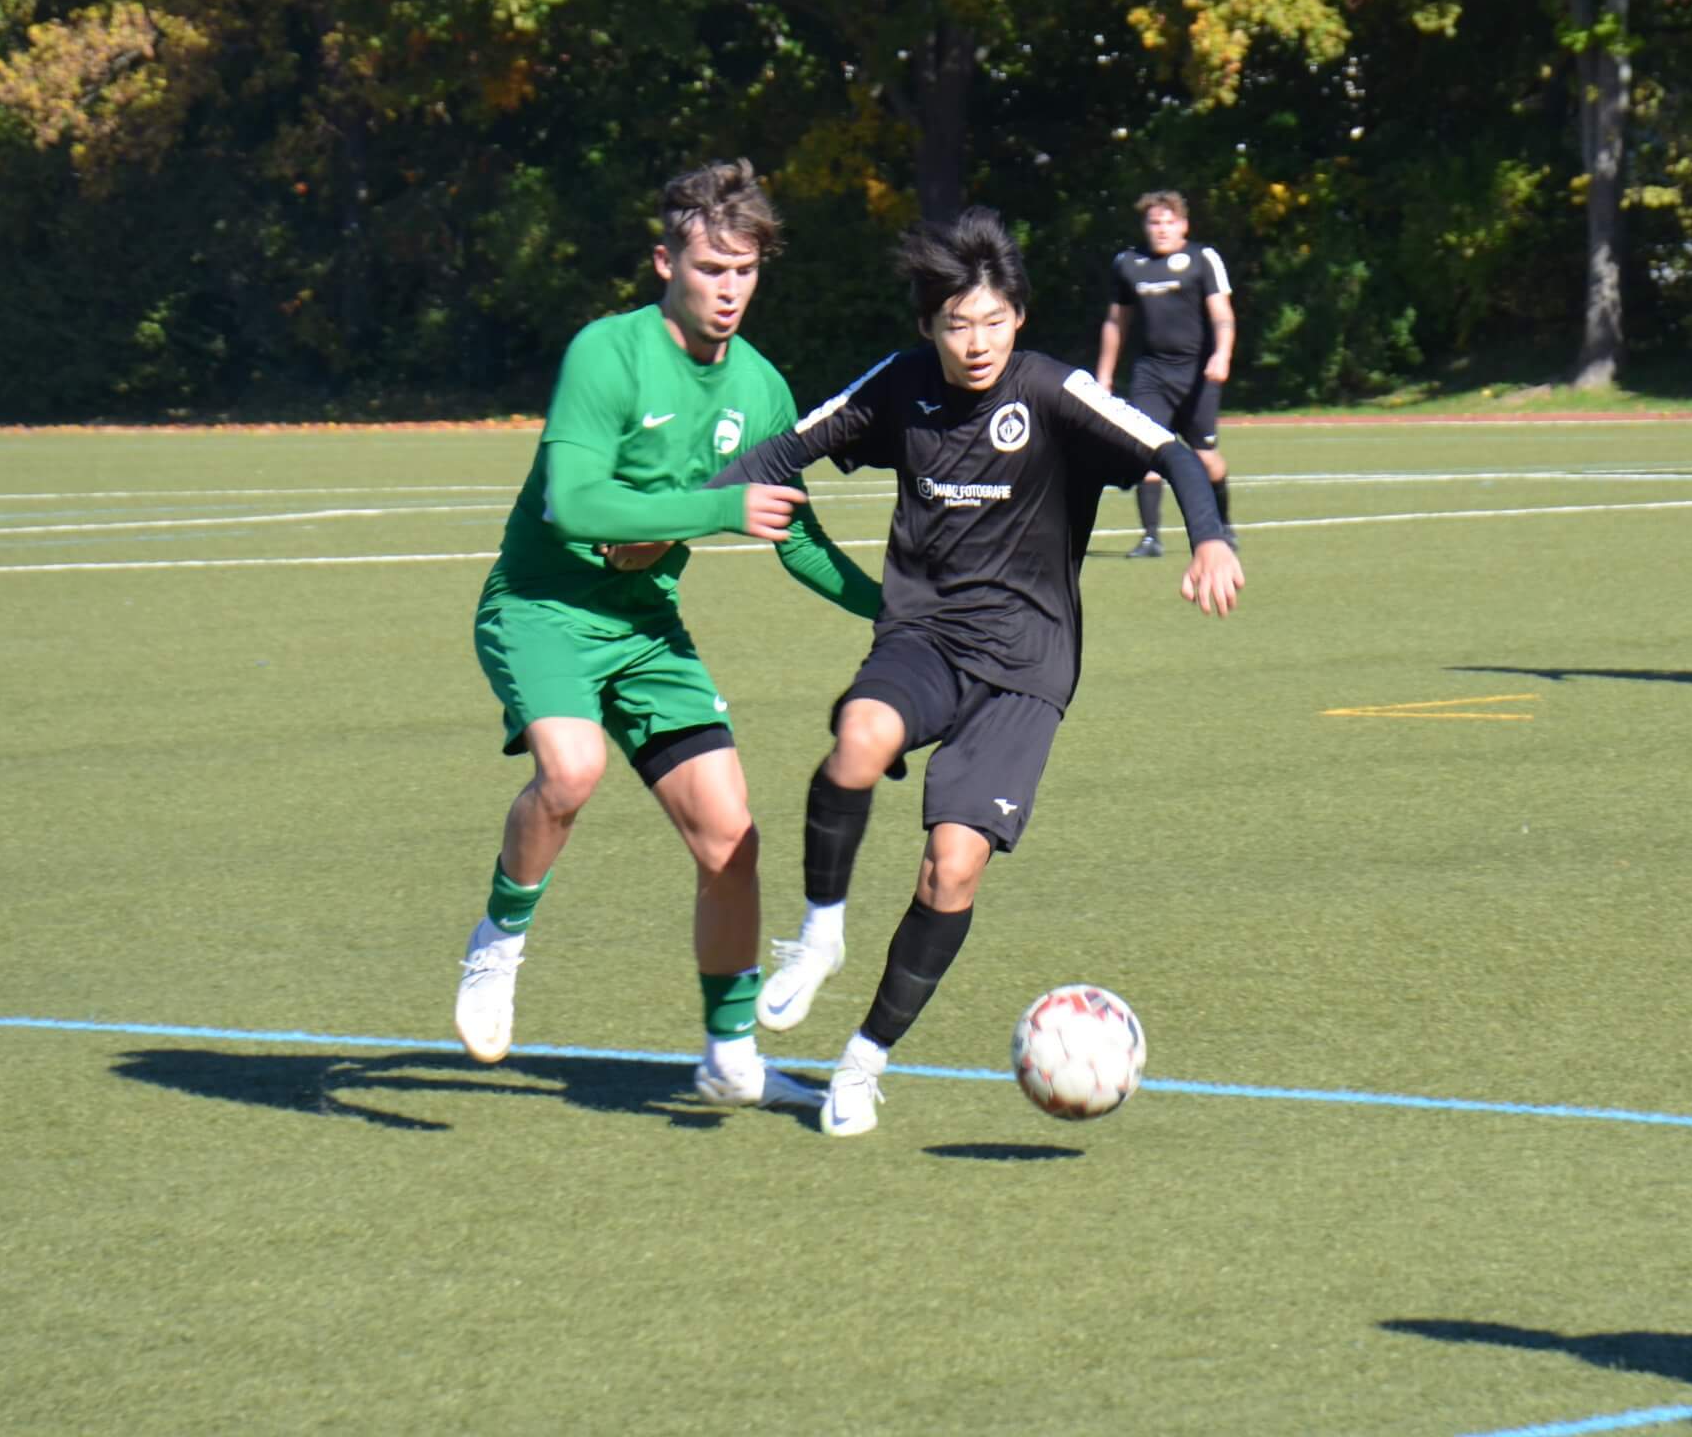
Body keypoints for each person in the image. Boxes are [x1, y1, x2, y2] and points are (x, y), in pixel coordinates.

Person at [710, 206, 1243, 1137]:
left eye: (994, 321)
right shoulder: (904, 386)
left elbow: (1170, 452)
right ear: (929, 327)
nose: (977, 342)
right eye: (957, 324)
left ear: (1019, 319)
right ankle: (820, 935)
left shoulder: (1053, 391)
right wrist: (670, 509)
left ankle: (863, 1061)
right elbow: (788, 449)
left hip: (1028, 665)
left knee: (949, 871)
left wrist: (1212, 538)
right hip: (925, 638)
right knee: (859, 738)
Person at [453, 159, 882, 1114]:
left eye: (745, 272)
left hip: (645, 629)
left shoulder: (763, 391)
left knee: (731, 838)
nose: (728, 291)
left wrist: (893, 611)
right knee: (570, 770)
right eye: (708, 269)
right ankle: (498, 945)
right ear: (664, 262)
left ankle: (728, 1054)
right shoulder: (607, 353)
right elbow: (574, 504)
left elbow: (794, 534)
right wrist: (718, 506)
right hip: (541, 607)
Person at [1097, 189, 1236, 557]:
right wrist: (1104, 375)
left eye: (1169, 222)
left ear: (1184, 225)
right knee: (1146, 451)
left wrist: (1222, 355)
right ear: (1145, 226)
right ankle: (1151, 537)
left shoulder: (1202, 259)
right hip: (1151, 374)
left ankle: (1223, 527)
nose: (1161, 229)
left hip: (1196, 374)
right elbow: (1116, 322)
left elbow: (1222, 314)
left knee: (1206, 457)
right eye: (1154, 222)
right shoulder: (1128, 263)